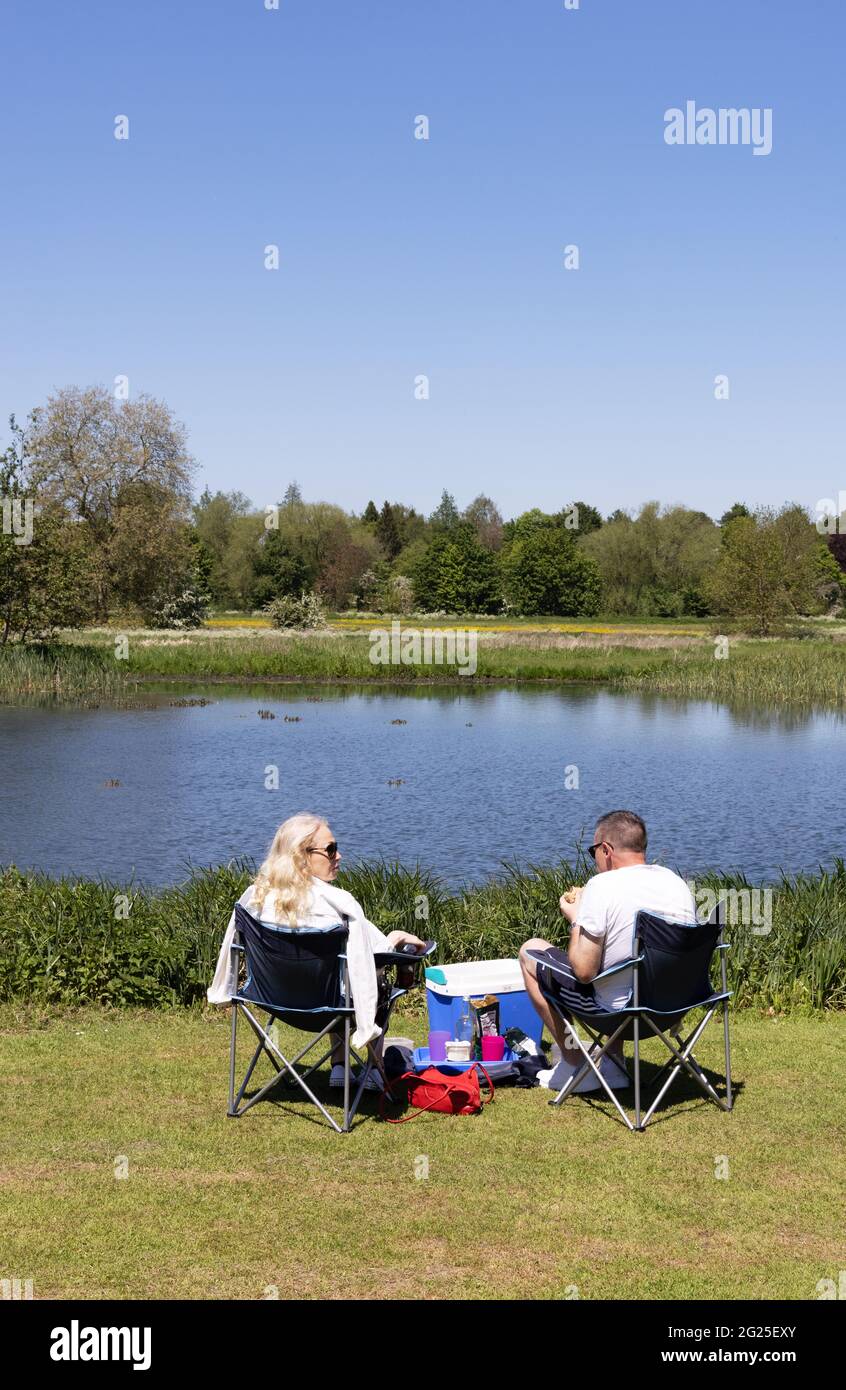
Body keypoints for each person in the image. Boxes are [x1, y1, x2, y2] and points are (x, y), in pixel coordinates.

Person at [208, 813, 425, 1090]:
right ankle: (373, 1069)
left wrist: (224, 989)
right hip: (329, 1007)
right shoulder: (339, 904)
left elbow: (232, 945)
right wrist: (397, 937)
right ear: (301, 856)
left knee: (338, 976)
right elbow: (374, 954)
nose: (339, 856)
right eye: (331, 850)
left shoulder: (253, 898)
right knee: (372, 978)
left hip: (273, 1001)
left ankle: (340, 1067)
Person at [519, 810, 696, 1091]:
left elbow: (584, 972)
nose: (595, 861)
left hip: (617, 1014)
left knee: (530, 951)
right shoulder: (675, 883)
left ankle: (574, 1063)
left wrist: (577, 917)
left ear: (606, 850)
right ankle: (613, 1066)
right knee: (620, 969)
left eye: (594, 853)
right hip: (672, 1010)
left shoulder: (601, 887)